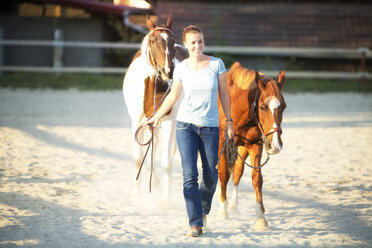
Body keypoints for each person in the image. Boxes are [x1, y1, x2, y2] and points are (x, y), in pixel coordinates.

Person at [145, 25, 234, 237]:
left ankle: (203, 208)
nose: (197, 46)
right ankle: (195, 223)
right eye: (193, 42)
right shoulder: (182, 68)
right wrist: (156, 117)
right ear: (185, 44)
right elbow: (173, 96)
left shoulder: (216, 64)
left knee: (211, 175)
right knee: (189, 176)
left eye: (200, 41)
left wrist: (229, 121)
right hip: (185, 127)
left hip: (211, 128)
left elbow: (224, 95)